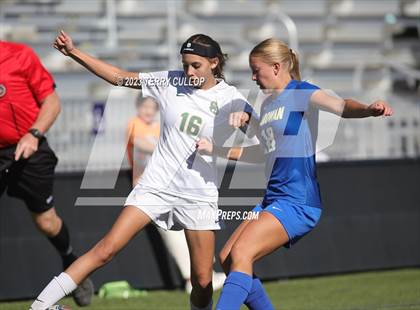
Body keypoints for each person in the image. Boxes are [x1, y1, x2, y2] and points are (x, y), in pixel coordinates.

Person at [30, 31, 251, 310]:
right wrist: (74, 53)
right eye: (185, 64)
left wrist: (245, 117)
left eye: (196, 65)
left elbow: (260, 134)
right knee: (106, 249)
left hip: (198, 192)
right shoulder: (170, 80)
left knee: (203, 281)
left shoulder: (230, 96)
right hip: (155, 186)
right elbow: (119, 76)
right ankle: (39, 306)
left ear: (215, 63)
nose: (188, 71)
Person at [196, 38, 393, 310]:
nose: (253, 77)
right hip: (273, 199)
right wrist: (218, 148)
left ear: (276, 67)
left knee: (243, 253)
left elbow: (341, 106)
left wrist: (368, 109)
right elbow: (264, 153)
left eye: (256, 70)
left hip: (297, 201)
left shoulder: (300, 92)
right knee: (228, 257)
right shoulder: (266, 107)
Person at [0, 41, 94, 307]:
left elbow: (51, 102)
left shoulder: (19, 55)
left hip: (29, 148)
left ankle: (69, 259)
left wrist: (34, 134)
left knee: (46, 222)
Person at [126, 95, 226, 294]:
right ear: (138, 107)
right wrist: (173, 148)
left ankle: (202, 274)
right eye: (145, 106)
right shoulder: (134, 124)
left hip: (171, 185)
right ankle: (191, 279)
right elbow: (142, 144)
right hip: (149, 188)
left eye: (152, 107)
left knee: (193, 227)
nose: (148, 111)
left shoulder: (157, 127)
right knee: (174, 234)